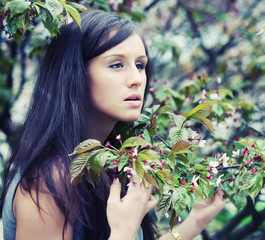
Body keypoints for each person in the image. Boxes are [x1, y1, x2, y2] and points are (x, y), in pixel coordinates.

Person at [0, 10, 226, 240]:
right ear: (74, 74)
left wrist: (193, 223)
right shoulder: (51, 180)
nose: (137, 78)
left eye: (140, 65)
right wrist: (122, 232)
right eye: (116, 65)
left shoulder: (107, 161)